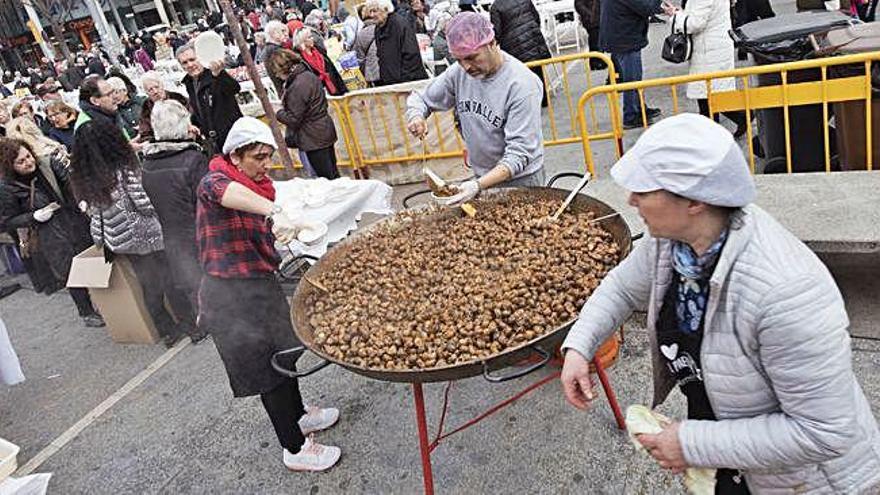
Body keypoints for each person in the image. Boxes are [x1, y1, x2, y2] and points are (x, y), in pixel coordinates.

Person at [560, 113, 880, 493]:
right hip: (730, 455)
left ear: (694, 200)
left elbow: (825, 432)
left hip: (803, 481)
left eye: (644, 190)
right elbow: (622, 288)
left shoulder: (784, 291)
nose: (630, 199)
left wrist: (691, 444)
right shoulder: (673, 242)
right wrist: (580, 345)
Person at [196, 117, 341, 471]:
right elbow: (222, 191)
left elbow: (258, 229)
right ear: (235, 156)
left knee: (286, 353)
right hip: (230, 297)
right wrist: (274, 211)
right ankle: (293, 449)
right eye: (259, 157)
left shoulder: (260, 187)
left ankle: (299, 416)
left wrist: (283, 233)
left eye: (268, 156)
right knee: (267, 371)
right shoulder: (214, 178)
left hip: (260, 284)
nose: (266, 165)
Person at [406, 12, 545, 206]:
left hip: (522, 181)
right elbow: (421, 98)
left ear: (491, 43)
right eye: (459, 60)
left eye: (472, 57)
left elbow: (519, 154)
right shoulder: (459, 73)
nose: (466, 67)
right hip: (482, 176)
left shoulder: (522, 85)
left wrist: (476, 185)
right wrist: (416, 116)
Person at [69, 118, 185, 347]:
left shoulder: (84, 178)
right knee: (169, 277)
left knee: (148, 283)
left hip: (118, 238)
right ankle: (191, 324)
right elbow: (143, 202)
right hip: (146, 232)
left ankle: (167, 331)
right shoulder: (123, 169)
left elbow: (90, 210)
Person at [0, 138, 105, 327]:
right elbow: (6, 221)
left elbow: (71, 181)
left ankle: (107, 304)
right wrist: (33, 216)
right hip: (50, 233)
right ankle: (86, 311)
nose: (28, 162)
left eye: (28, 156)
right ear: (10, 166)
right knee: (70, 272)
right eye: (21, 162)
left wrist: (81, 198)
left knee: (93, 262)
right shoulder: (8, 188)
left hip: (74, 219)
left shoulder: (48, 164)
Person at [141, 100, 209, 344]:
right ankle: (215, 317)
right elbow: (207, 198)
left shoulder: (147, 163)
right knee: (206, 276)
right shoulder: (192, 159)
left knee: (187, 279)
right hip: (197, 229)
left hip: (169, 231)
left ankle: (197, 325)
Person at [661, 0, 747, 137]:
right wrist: (679, 13)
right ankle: (736, 121)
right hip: (712, 48)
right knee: (712, 95)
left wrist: (674, 15)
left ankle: (739, 120)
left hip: (709, 51)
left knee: (709, 96)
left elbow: (695, 24)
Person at [267, 49, 340, 179]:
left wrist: (277, 112)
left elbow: (294, 118)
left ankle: (339, 197)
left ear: (283, 68)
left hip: (313, 136)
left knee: (325, 178)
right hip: (321, 130)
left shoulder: (298, 85)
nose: (276, 76)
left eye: (276, 72)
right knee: (331, 173)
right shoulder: (307, 75)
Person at [600, 0, 663, 128]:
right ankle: (631, 115)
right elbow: (645, 7)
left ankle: (639, 108)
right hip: (624, 38)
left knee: (634, 77)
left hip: (621, 35)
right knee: (632, 79)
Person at [176, 43, 244, 155]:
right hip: (213, 141)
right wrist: (194, 125)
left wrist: (219, 74)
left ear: (200, 58)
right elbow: (200, 109)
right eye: (185, 62)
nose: (190, 64)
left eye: (192, 59)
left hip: (232, 136)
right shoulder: (189, 82)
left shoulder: (213, 74)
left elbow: (234, 88)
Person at [489, 0, 553, 107]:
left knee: (520, 76)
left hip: (514, 47)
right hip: (533, 39)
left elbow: (497, 32)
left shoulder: (496, 7)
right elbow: (536, 18)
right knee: (537, 70)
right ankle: (543, 99)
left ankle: (529, 102)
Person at [366, 0, 429, 86]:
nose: (372, 15)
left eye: (375, 11)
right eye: (370, 11)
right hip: (392, 83)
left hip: (408, 83)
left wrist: (402, 81)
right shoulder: (378, 28)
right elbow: (381, 56)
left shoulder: (399, 24)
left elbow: (411, 54)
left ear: (385, 9)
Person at [138, 71, 192, 143]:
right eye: (150, 90)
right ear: (146, 93)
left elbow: (193, 117)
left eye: (157, 87)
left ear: (162, 85)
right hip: (163, 145)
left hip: (187, 138)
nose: (155, 91)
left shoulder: (179, 98)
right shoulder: (146, 108)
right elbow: (145, 133)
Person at [293, 29, 348, 96]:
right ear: (302, 41)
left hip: (334, 88)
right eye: (309, 37)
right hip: (319, 94)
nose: (312, 38)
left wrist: (344, 90)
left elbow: (334, 71)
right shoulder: (300, 60)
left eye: (311, 36)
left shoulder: (319, 51)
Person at [574, 0, 607, 70]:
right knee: (594, 39)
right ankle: (595, 61)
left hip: (597, 17)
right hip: (591, 19)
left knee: (598, 39)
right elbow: (578, 5)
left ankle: (598, 60)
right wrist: (589, 15)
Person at [354, 6, 381, 86]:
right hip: (389, 69)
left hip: (373, 72)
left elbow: (360, 58)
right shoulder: (383, 27)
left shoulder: (361, 34)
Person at [264, 20, 293, 93]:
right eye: (282, 31)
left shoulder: (272, 48)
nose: (285, 34)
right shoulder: (274, 50)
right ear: (274, 34)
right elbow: (285, 70)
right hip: (288, 90)